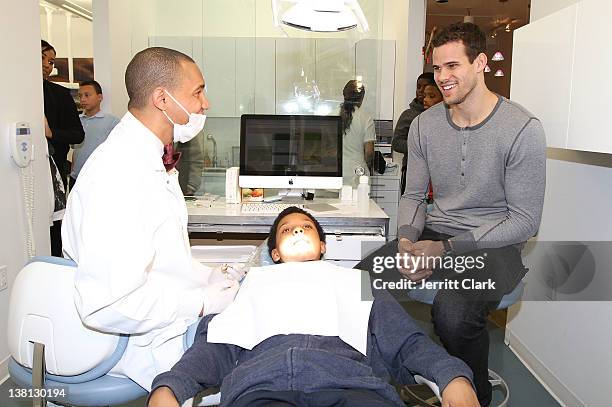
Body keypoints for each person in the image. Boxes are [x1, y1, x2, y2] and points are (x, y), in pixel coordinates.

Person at [355, 22, 546, 406]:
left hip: (497, 242)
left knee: (453, 315)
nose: (442, 77)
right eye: (437, 68)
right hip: (436, 232)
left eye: (453, 66)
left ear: (479, 63)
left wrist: (443, 251)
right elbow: (413, 194)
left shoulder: (522, 128)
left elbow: (525, 221)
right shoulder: (425, 125)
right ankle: (405, 372)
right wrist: (408, 239)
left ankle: (475, 392)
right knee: (358, 286)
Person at [147, 207, 480, 407]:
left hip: (352, 386)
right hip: (262, 388)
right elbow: (213, 350)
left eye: (305, 227)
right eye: (286, 229)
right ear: (274, 253)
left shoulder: (355, 284)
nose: (296, 229)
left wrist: (452, 378)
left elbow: (408, 342)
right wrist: (170, 386)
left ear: (322, 246)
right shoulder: (247, 287)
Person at [61, 47, 240, 390]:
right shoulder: (119, 175)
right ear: (163, 98)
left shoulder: (147, 159)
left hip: (152, 323)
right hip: (129, 345)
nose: (206, 104)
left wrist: (206, 276)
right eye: (198, 92)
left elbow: (159, 259)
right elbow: (107, 305)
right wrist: (202, 301)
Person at [41, 40, 85, 256]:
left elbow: (77, 134)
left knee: (54, 226)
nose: (46, 65)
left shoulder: (59, 95)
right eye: (42, 58)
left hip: (55, 172)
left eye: (50, 61)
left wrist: (51, 134)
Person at [69, 80, 120, 188]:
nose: (82, 99)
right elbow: (75, 150)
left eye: (87, 95)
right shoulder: (75, 121)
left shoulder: (113, 122)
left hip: (100, 179)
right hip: (76, 178)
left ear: (100, 97)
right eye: (80, 96)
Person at [392, 72, 435, 194]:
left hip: (436, 172)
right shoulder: (408, 115)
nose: (421, 91)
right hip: (412, 170)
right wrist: (420, 147)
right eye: (418, 87)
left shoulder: (444, 115)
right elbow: (396, 143)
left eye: (425, 87)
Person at [339, 79, 375, 185]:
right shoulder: (366, 118)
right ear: (361, 98)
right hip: (356, 176)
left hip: (335, 174)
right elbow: (369, 152)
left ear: (344, 94)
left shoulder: (331, 115)